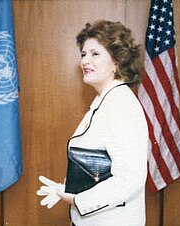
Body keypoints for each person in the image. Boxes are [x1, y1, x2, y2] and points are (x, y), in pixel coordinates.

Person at [37, 20, 149, 226]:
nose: (84, 61)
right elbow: (98, 166)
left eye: (95, 54)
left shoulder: (121, 105)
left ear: (117, 61)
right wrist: (68, 187)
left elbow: (130, 179)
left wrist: (78, 199)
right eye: (83, 54)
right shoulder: (104, 101)